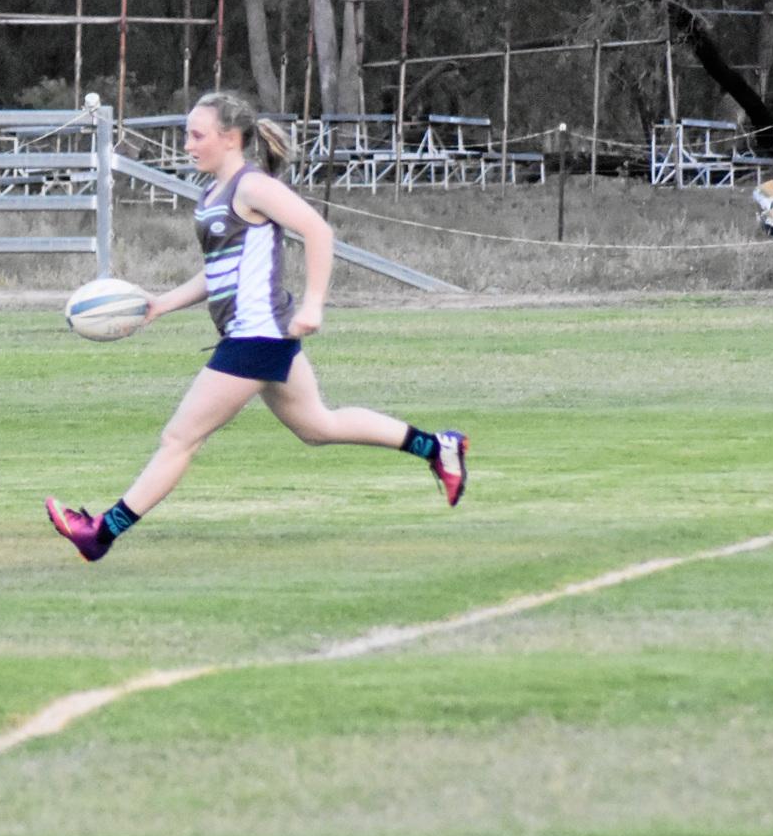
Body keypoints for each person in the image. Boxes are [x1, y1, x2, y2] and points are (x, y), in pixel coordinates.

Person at [46, 90, 467, 561]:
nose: (187, 144)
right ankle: (437, 447)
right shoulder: (214, 194)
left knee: (180, 438)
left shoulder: (253, 187)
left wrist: (313, 305)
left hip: (257, 335)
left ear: (229, 139)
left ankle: (100, 534)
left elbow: (318, 232)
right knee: (318, 427)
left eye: (196, 135)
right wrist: (162, 304)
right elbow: (219, 271)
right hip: (257, 335)